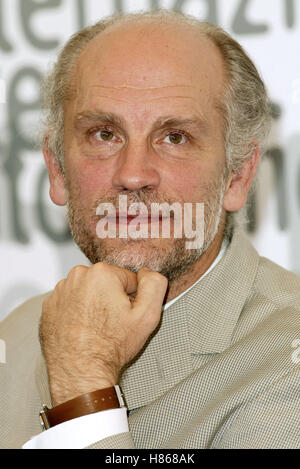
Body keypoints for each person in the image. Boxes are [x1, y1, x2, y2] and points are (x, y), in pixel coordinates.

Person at [1, 9, 299, 449]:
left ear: (237, 176)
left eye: (175, 137)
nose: (134, 173)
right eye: (104, 134)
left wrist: (83, 387)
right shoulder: (19, 333)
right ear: (57, 170)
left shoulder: (285, 363)